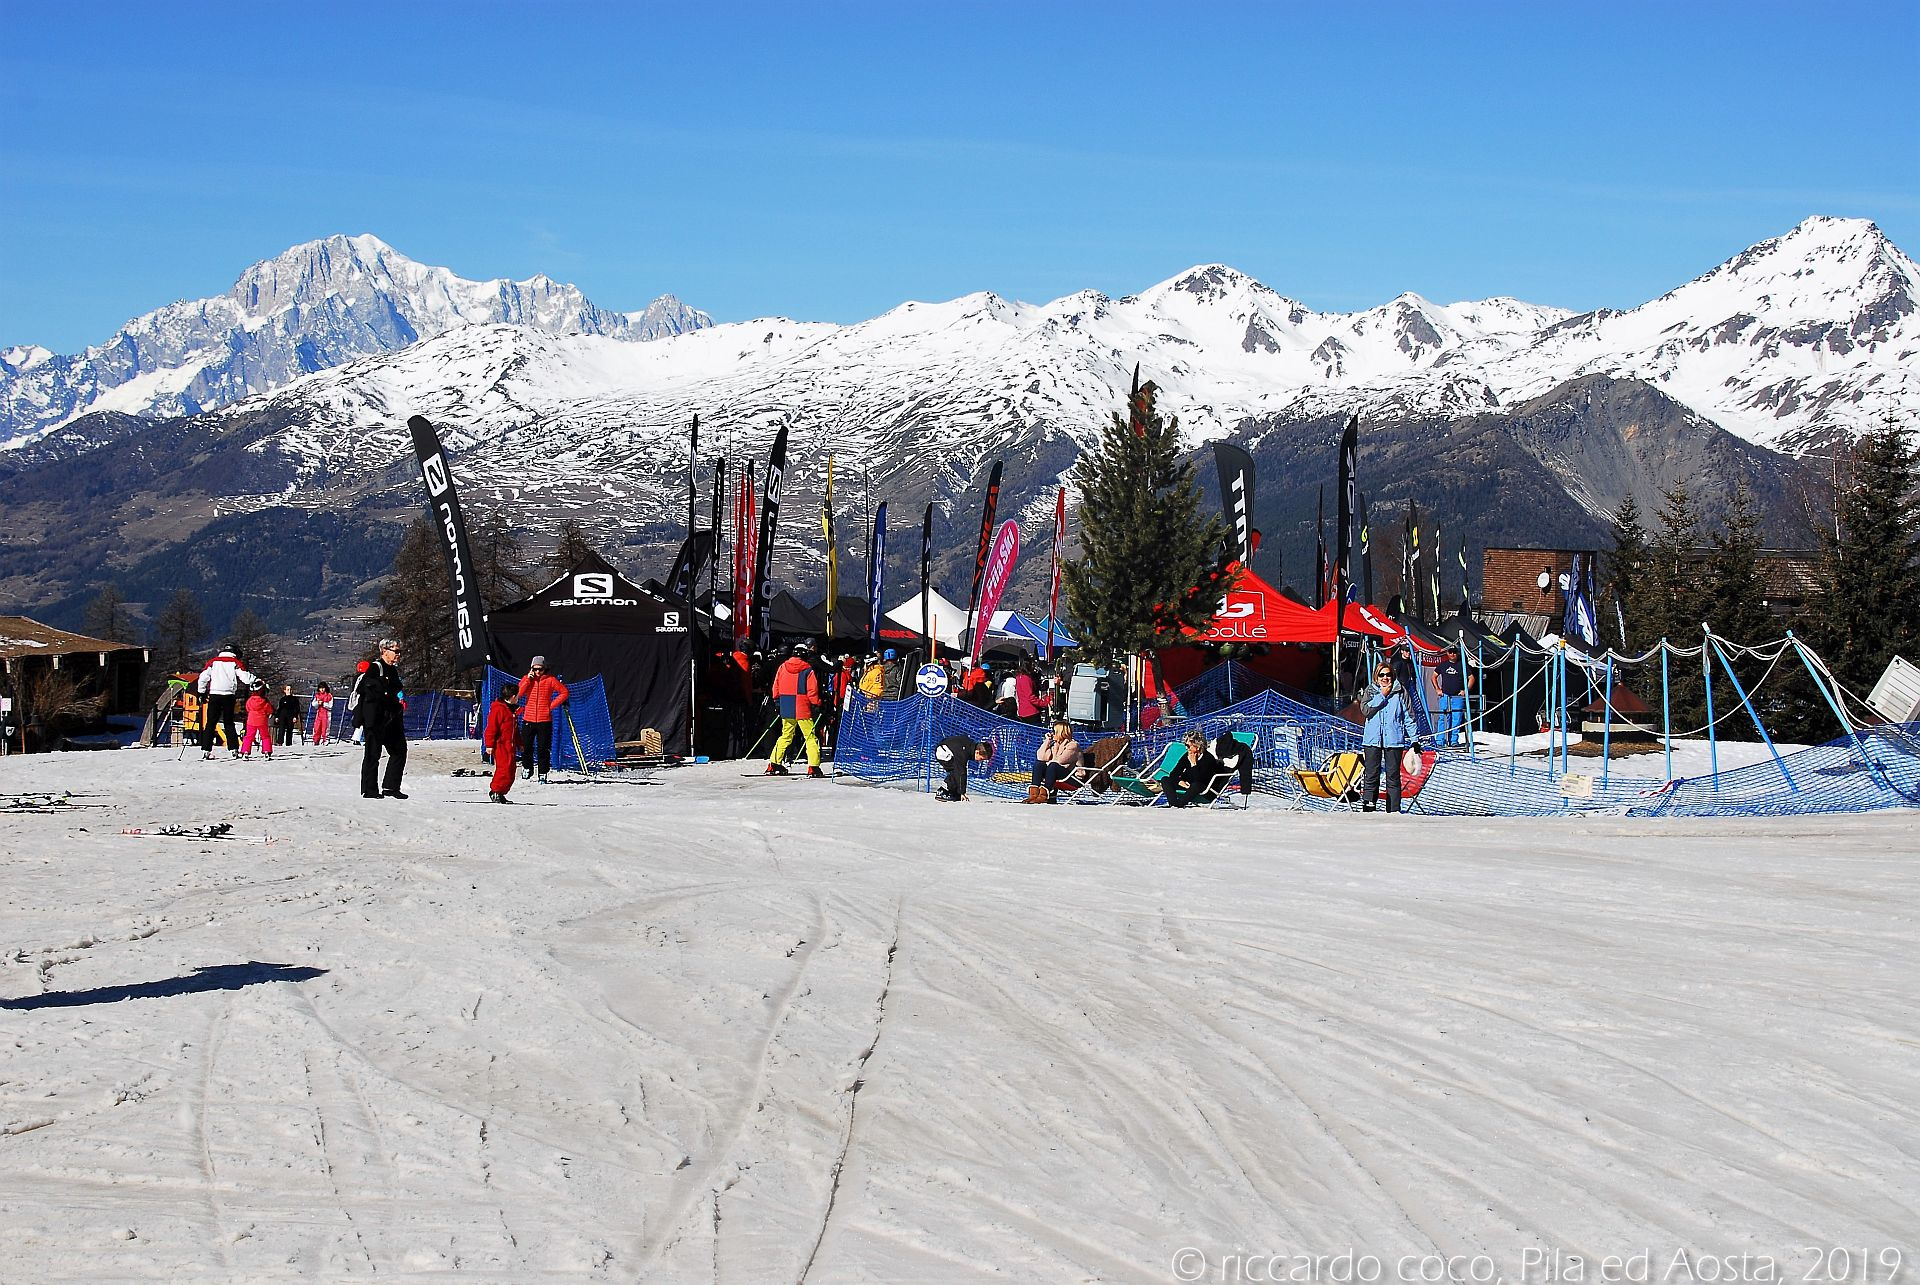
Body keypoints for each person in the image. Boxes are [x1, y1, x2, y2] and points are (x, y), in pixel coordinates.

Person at [1359, 660, 1421, 813]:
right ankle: (1369, 807)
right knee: (1371, 774)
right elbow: (1366, 710)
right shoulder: (1371, 691)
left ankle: (1393, 810)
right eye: (1382, 675)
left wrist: (1415, 741)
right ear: (1376, 676)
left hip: (1394, 740)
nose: (1385, 678)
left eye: (1388, 675)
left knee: (1393, 776)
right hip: (1373, 740)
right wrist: (1382, 695)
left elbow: (1409, 717)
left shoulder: (1401, 692)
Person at [354, 638, 409, 799]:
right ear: (385, 651)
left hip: (391, 719)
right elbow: (366, 690)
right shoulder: (375, 668)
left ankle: (391, 787)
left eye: (399, 651)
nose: (398, 654)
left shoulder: (393, 670)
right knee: (373, 754)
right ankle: (369, 789)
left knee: (399, 750)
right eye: (395, 651)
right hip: (376, 719)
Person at [766, 641, 825, 776]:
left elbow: (776, 685)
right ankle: (813, 767)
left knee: (786, 735)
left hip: (786, 704)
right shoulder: (807, 668)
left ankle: (774, 763)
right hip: (802, 705)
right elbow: (812, 690)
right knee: (810, 737)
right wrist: (817, 703)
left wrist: (777, 701)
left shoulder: (782, 666)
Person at [515, 656, 571, 783]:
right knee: (526, 746)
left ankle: (542, 773)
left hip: (544, 720)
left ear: (544, 668)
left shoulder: (551, 680)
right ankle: (527, 768)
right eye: (535, 669)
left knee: (543, 748)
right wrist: (528, 680)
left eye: (540, 669)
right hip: (528, 718)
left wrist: (550, 706)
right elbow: (519, 694)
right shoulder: (527, 679)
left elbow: (564, 692)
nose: (538, 672)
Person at [196, 648, 255, 759]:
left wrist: (201, 692)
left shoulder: (213, 662)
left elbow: (203, 678)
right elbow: (245, 677)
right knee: (229, 722)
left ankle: (206, 750)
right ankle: (234, 749)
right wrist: (256, 681)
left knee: (210, 722)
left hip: (214, 694)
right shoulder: (235, 663)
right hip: (229, 695)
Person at [1162, 729, 1224, 808]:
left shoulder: (1208, 759)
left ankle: (1179, 804)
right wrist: (1180, 782)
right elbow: (1174, 774)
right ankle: (1174, 804)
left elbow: (1200, 780)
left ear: (1197, 746)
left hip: (1205, 789)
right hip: (1188, 786)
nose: (1186, 748)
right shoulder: (1187, 756)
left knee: (1196, 785)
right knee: (1165, 779)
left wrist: (1193, 764)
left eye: (1188, 746)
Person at [1027, 720, 1080, 803]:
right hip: (1055, 774)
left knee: (1053, 766)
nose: (1052, 733)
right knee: (1039, 764)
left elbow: (1060, 761)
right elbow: (1041, 757)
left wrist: (1049, 762)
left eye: (1054, 732)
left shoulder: (1073, 745)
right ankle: (1034, 794)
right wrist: (1047, 741)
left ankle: (1044, 795)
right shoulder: (1055, 744)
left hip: (1072, 778)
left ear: (1060, 732)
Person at [484, 689, 520, 803]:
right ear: (513, 696)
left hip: (510, 745)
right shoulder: (499, 709)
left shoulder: (511, 710)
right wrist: (489, 745)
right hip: (500, 744)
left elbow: (515, 730)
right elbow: (491, 728)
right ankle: (495, 791)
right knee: (503, 769)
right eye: (517, 696)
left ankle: (501, 792)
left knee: (511, 769)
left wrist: (520, 743)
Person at [933, 736, 994, 801]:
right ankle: (942, 791)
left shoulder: (969, 747)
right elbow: (961, 771)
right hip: (943, 753)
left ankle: (952, 792)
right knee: (957, 770)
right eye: (981, 758)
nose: (980, 761)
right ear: (977, 752)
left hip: (947, 748)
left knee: (958, 771)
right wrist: (962, 793)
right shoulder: (963, 751)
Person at [1209, 731, 1256, 801]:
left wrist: (1246, 789)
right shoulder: (1213, 750)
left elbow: (1245, 771)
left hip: (1206, 788)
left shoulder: (1242, 751)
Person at [240, 680, 275, 758]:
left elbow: (247, 708)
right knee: (265, 736)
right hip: (262, 720)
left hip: (251, 720)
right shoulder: (265, 701)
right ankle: (267, 751)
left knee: (249, 736)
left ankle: (245, 751)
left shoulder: (250, 700)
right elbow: (269, 710)